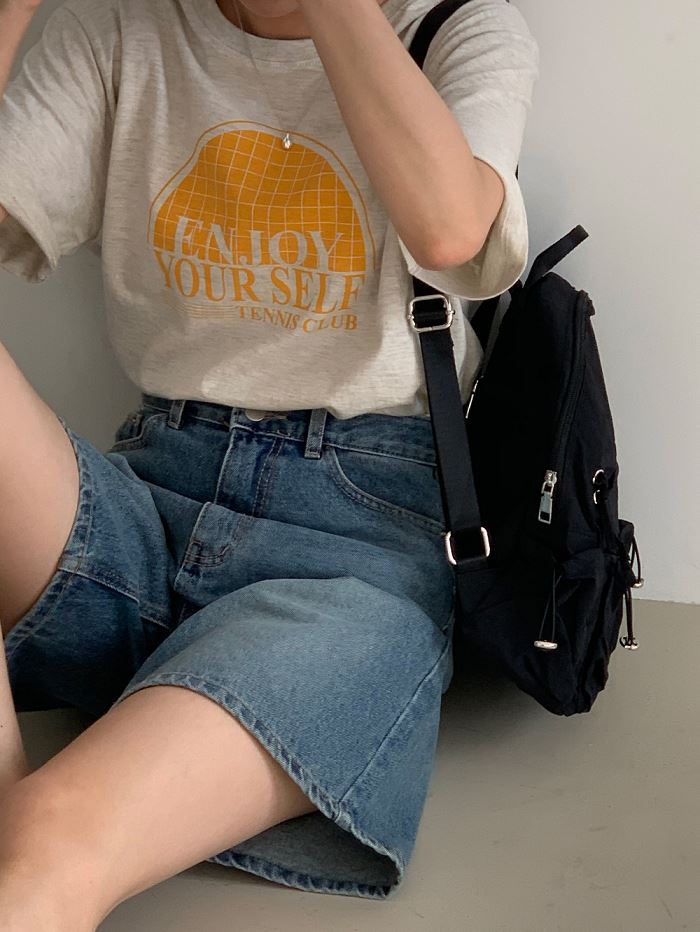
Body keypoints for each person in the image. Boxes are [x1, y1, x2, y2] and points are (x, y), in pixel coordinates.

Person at [0, 0, 539, 924]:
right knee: (27, 843)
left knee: (53, 835)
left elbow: (452, 233)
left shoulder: (460, 25)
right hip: (138, 512)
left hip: (354, 558)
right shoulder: (120, 31)